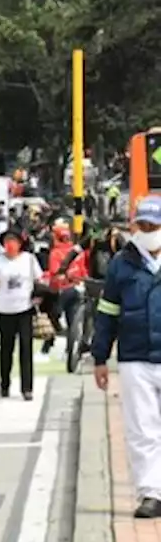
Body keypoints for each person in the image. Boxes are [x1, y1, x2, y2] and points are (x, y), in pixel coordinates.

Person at [94, 196, 161, 517]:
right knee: (142, 428)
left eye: (153, 226)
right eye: (142, 225)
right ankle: (151, 492)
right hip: (135, 357)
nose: (147, 231)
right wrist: (99, 357)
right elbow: (107, 312)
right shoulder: (122, 264)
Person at [0, 230, 41, 400]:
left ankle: (27, 388)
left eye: (13, 241)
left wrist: (40, 297)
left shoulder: (29, 260)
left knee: (26, 349)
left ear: (20, 243)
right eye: (7, 241)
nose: (10, 244)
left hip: (25, 310)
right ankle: (4, 384)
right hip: (5, 311)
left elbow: (39, 281)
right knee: (6, 350)